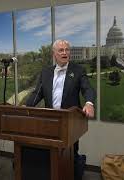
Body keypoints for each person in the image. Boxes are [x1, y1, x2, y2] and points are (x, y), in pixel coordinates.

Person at [26, 39, 96, 179]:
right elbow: (37, 93)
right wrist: (26, 107)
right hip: (49, 122)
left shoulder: (78, 70)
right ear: (54, 54)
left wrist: (89, 103)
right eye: (61, 50)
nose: (65, 53)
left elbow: (88, 89)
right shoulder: (46, 72)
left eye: (67, 50)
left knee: (70, 155)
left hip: (70, 123)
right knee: (50, 154)